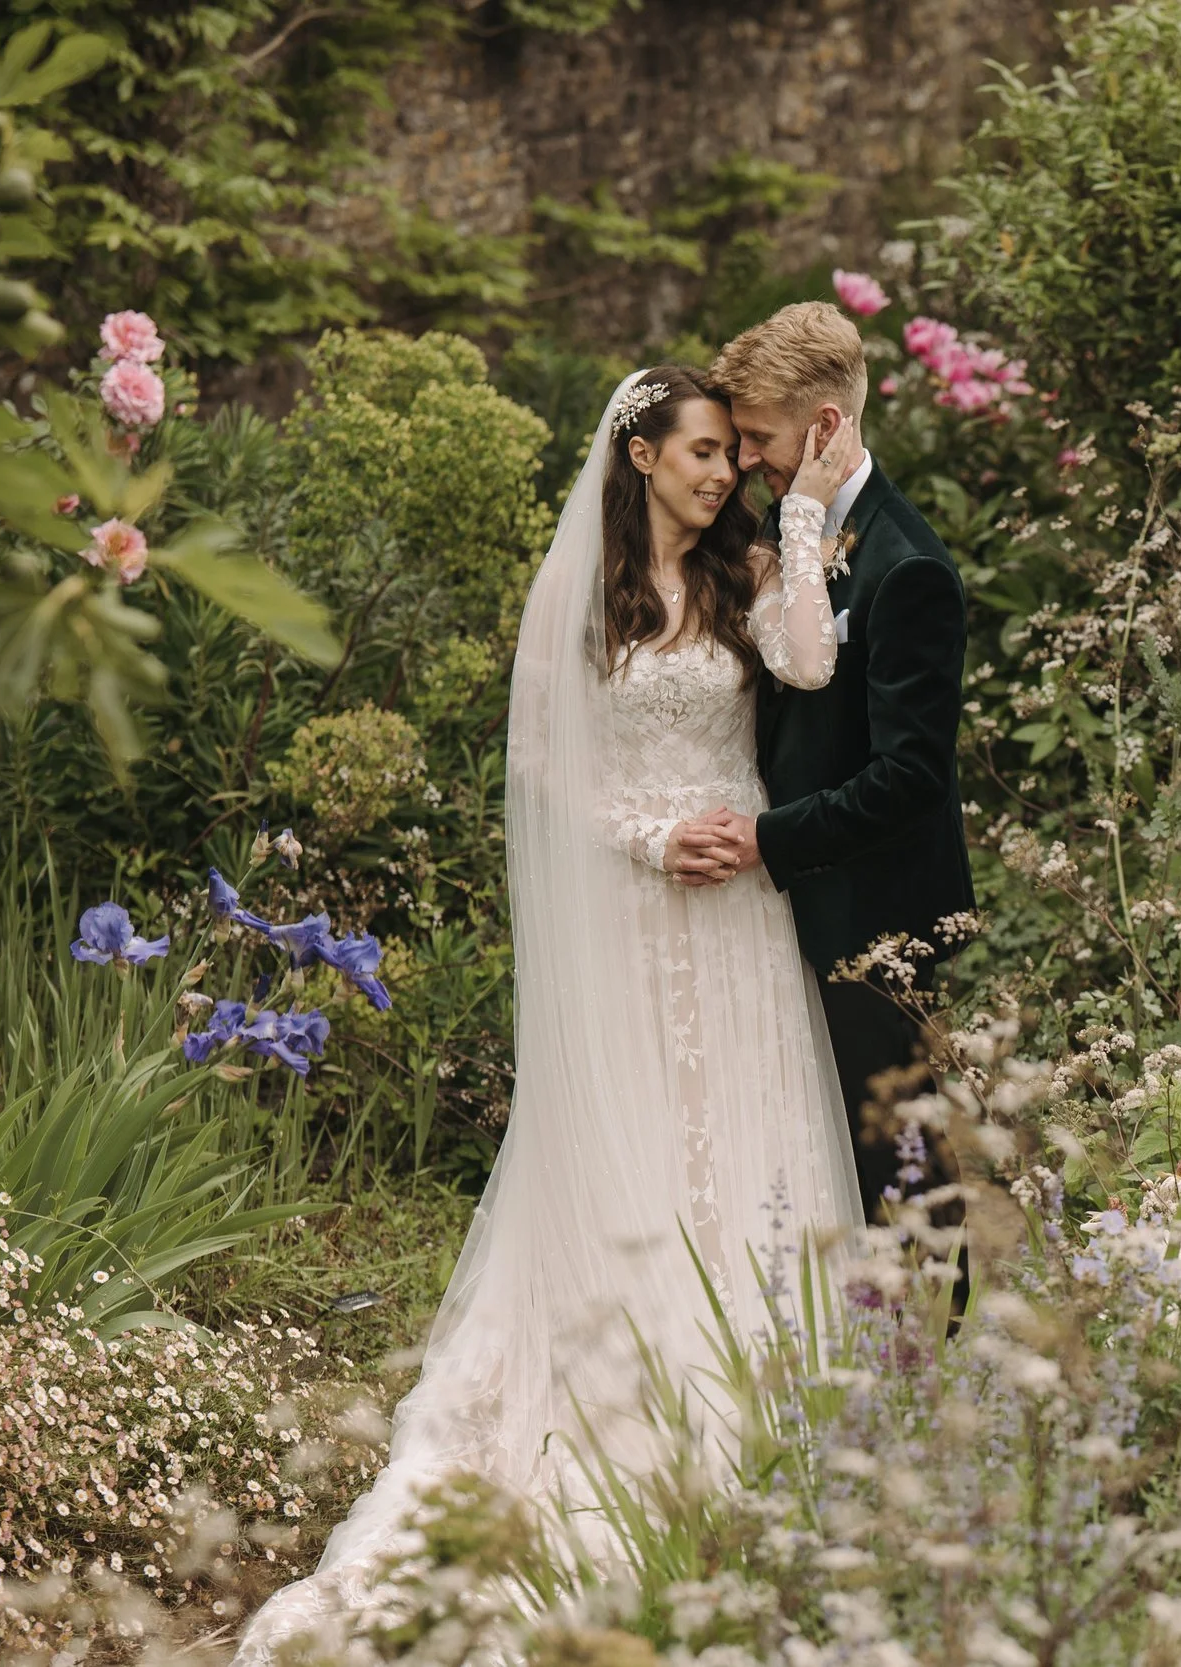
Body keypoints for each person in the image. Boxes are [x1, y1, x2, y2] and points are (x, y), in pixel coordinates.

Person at [232, 368, 865, 1662]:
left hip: (742, 917)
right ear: (639, 455)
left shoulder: (748, 569)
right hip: (640, 917)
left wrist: (799, 507)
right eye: (700, 454)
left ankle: (764, 1406)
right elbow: (540, 770)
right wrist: (645, 832)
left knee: (748, 1144)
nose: (717, 473)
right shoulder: (582, 593)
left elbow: (809, 659)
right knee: (637, 1152)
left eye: (725, 459)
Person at [674, 302, 979, 1232]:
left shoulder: (906, 565)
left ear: (826, 428)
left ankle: (933, 1352)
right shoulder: (781, 529)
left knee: (898, 1160)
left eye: (759, 439)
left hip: (877, 911)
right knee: (826, 1156)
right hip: (795, 908)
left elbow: (910, 777)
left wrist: (768, 839)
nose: (744, 461)